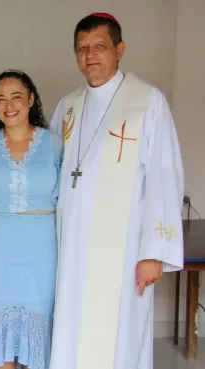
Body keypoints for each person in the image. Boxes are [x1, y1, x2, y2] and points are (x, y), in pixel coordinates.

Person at [47, 13, 184, 369]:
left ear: (119, 50)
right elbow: (44, 165)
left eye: (100, 46)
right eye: (82, 48)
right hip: (71, 248)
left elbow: (164, 176)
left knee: (119, 338)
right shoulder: (69, 106)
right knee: (72, 331)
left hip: (123, 253)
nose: (90, 55)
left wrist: (153, 252)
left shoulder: (146, 103)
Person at [0, 69, 62, 369]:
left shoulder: (56, 144)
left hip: (41, 249)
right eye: (1, 99)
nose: (8, 105)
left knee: (38, 326)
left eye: (16, 97)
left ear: (31, 99)